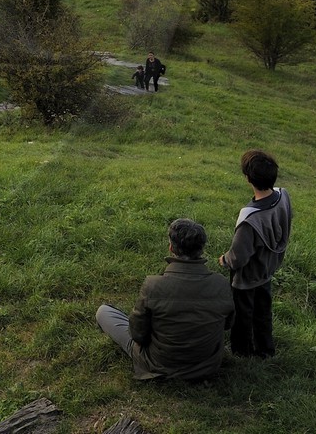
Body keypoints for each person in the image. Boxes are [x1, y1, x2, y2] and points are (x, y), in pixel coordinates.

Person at [96, 218, 235, 381]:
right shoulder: (221, 283)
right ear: (202, 249)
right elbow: (227, 325)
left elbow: (137, 335)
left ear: (171, 247)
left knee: (104, 312)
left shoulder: (153, 285)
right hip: (207, 365)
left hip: (160, 364)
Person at [219, 149, 292, 358]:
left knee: (243, 314)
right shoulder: (283, 196)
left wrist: (225, 260)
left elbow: (239, 255)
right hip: (267, 267)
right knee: (263, 311)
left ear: (248, 178)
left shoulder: (249, 218)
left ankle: (242, 352)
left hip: (247, 276)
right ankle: (266, 350)